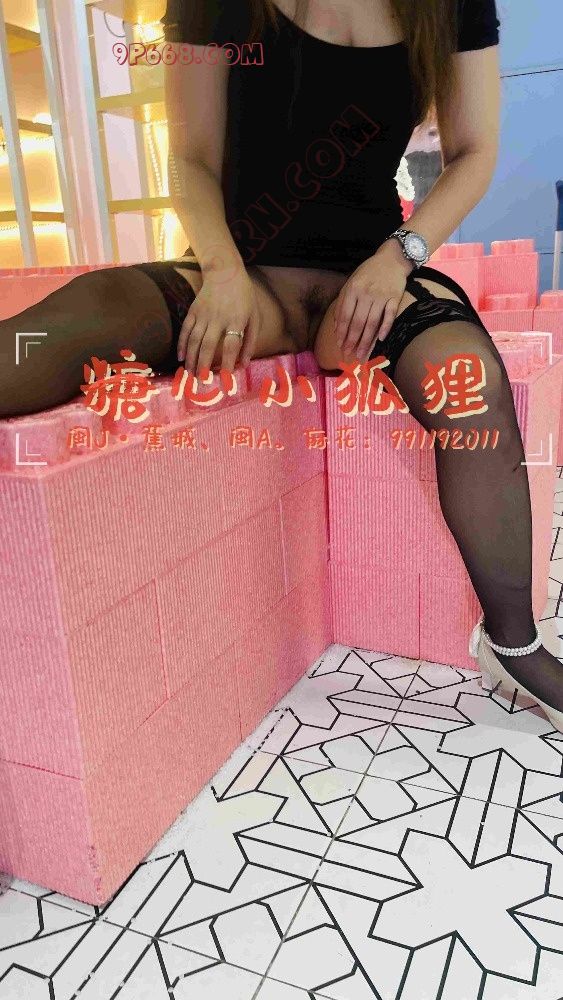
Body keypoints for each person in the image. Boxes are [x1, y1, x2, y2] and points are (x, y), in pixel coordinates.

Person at [0, 0, 561, 727]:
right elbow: (191, 156)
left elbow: (474, 152)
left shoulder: (452, 4)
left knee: (472, 386)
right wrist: (222, 270)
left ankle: (514, 643)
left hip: (373, 277)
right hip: (246, 277)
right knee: (92, 308)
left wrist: (400, 256)